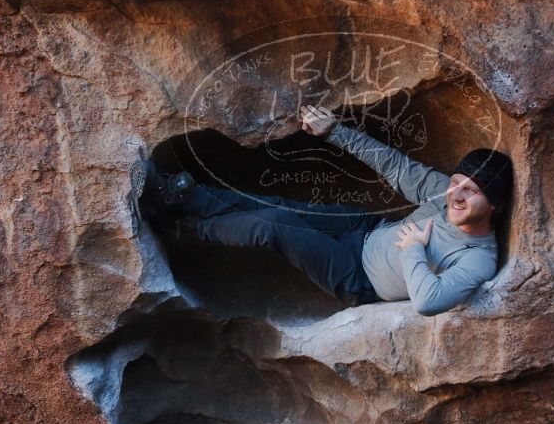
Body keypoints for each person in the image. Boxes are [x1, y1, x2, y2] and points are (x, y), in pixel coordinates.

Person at [130, 105, 513, 316]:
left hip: (359, 277)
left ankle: (186, 228)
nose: (457, 195)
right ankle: (179, 197)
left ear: (492, 205)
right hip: (365, 229)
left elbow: (429, 301)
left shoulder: (478, 260)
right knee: (280, 205)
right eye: (457, 182)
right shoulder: (441, 192)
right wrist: (334, 132)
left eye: (472, 191)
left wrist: (413, 247)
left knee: (275, 226)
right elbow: (395, 166)